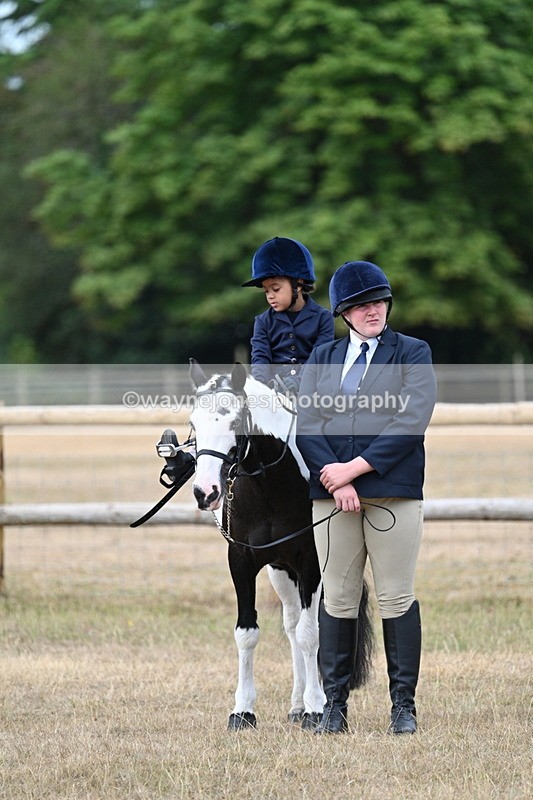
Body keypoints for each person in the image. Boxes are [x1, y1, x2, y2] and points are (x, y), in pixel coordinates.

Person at [295, 260, 437, 735]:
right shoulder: (323, 359)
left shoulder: (413, 353)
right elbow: (308, 426)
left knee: (397, 596)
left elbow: (411, 419)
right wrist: (338, 483)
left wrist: (354, 471)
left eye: (377, 301)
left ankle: (403, 707)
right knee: (337, 595)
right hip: (332, 496)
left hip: (391, 494)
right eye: (359, 305)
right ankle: (334, 706)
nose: (371, 310)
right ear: (344, 313)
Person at [242, 237, 334, 393]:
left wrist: (300, 380)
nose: (270, 296)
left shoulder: (324, 318)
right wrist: (260, 386)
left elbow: (319, 358)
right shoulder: (262, 322)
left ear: (297, 284)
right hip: (274, 392)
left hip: (313, 390)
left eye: (276, 289)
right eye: (266, 291)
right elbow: (260, 358)